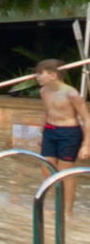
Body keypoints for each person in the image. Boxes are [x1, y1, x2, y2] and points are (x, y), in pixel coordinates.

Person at [35, 59, 90, 211]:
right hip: (50, 131)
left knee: (65, 172)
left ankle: (67, 211)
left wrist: (86, 144)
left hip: (69, 133)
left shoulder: (71, 93)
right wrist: (42, 133)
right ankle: (58, 203)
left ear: (53, 75)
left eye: (40, 74)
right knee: (46, 168)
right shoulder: (44, 91)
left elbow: (86, 118)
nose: (37, 77)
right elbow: (46, 111)